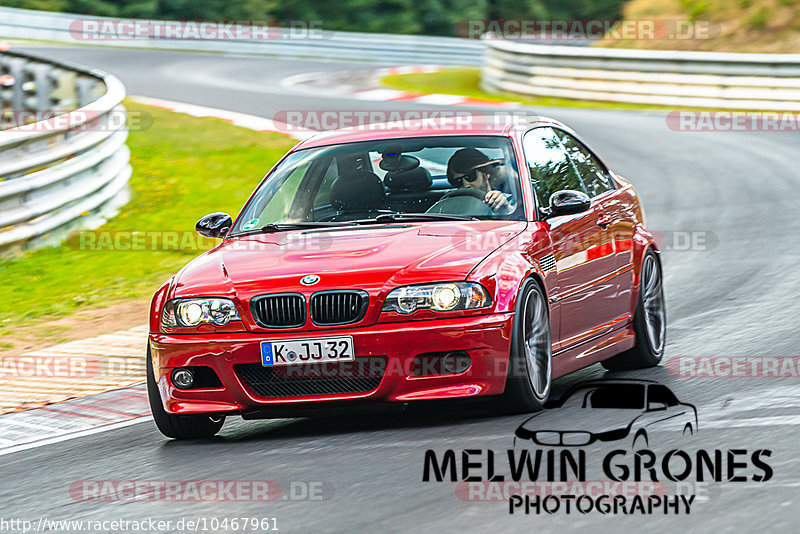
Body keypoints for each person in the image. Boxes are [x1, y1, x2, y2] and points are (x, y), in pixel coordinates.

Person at [446, 147, 513, 214]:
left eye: (470, 176)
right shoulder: (452, 207)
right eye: (458, 181)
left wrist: (506, 209)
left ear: (486, 173)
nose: (466, 185)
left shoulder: (508, 201)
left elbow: (518, 218)